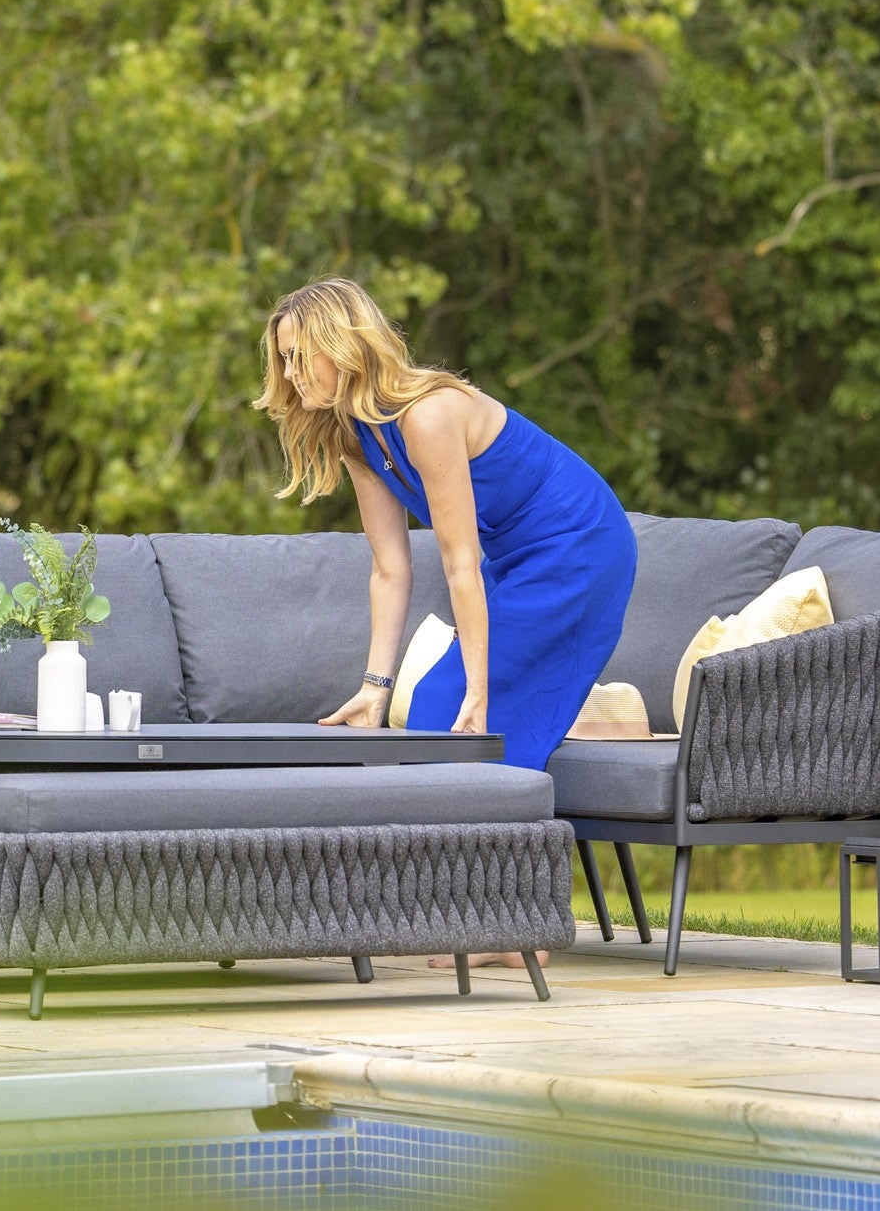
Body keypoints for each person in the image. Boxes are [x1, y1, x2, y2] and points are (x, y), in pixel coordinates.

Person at [258, 279, 636, 964]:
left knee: (448, 711)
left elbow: (459, 564)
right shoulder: (356, 436)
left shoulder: (428, 415)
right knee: (434, 713)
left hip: (577, 546)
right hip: (516, 557)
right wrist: (375, 682)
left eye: (296, 355)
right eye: (281, 359)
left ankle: (517, 924)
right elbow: (390, 569)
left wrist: (478, 685)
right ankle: (507, 923)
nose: (287, 374)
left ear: (340, 348)